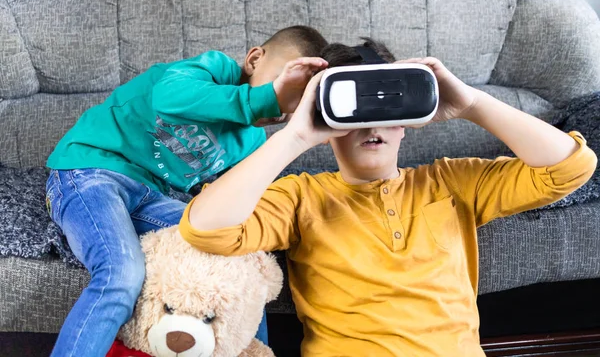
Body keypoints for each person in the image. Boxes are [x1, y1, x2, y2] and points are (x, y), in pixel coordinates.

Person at [178, 39, 597, 356]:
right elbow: (205, 228)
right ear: (328, 125)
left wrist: (472, 103)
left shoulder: (451, 181)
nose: (371, 123)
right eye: (355, 110)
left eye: (385, 107)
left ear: (407, 122)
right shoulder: (301, 196)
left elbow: (571, 168)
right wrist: (296, 136)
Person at [45, 25, 329, 357]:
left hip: (150, 195)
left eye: (299, 96)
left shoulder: (252, 140)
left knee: (242, 257)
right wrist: (263, 98)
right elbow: (169, 96)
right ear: (254, 59)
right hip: (90, 170)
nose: (285, 105)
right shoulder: (214, 69)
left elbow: (223, 203)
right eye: (285, 81)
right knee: (122, 273)